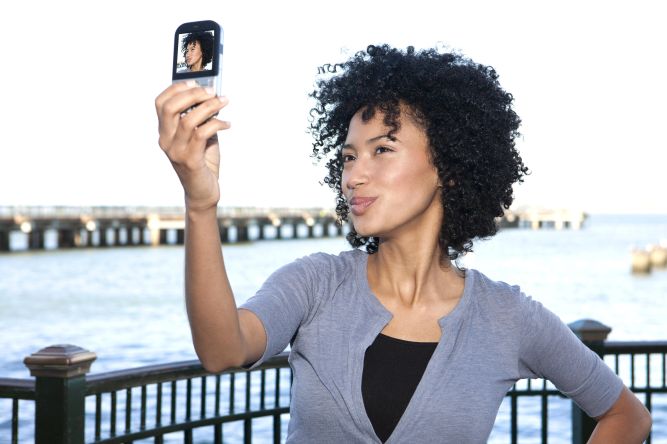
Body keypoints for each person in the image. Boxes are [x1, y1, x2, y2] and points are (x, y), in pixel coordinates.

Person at [155, 44, 651, 443]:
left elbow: (627, 417)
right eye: (348, 157)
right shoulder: (315, 284)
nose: (355, 175)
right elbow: (222, 350)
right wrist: (200, 205)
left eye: (382, 150)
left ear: (448, 169)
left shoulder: (507, 317)